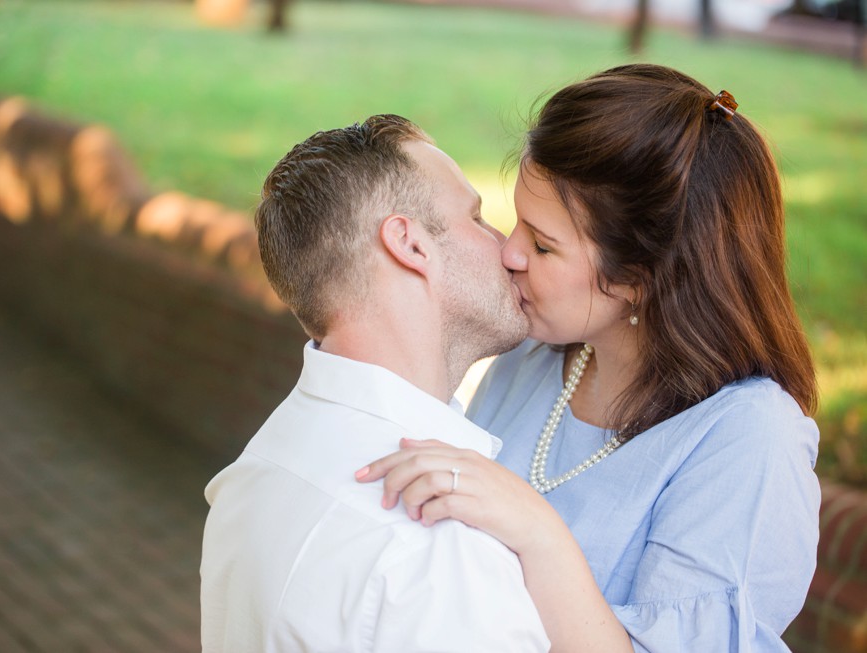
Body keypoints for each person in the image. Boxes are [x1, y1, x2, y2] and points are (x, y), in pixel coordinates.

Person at [356, 64, 821, 652]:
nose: (509, 253)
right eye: (516, 221)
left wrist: (536, 533)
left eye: (543, 244)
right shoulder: (533, 354)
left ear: (641, 276)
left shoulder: (749, 438)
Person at [199, 115, 551, 652]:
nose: (506, 248)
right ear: (410, 246)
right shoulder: (442, 540)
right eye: (477, 218)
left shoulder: (253, 471)